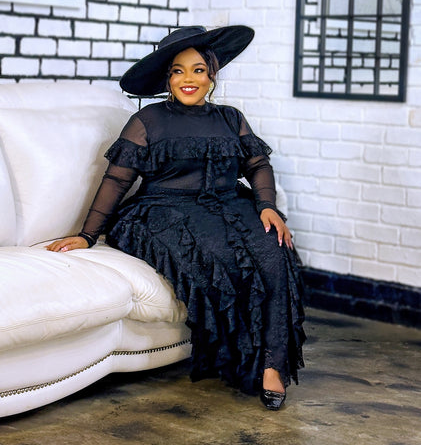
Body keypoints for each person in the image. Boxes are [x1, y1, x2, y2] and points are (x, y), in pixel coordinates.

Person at [48, 25, 305, 411]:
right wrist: (87, 235)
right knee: (218, 256)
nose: (189, 79)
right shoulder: (148, 120)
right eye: (178, 71)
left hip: (230, 205)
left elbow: (257, 165)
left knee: (275, 249)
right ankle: (241, 355)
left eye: (198, 70)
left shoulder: (231, 118)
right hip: (163, 210)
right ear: (167, 78)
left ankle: (273, 364)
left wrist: (266, 205)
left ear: (212, 75)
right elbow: (117, 180)